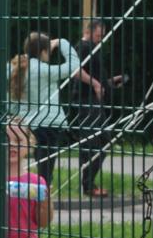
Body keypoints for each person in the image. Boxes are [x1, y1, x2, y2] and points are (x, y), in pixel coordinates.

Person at [8, 31, 97, 189]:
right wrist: (62, 42)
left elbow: (10, 99)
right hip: (48, 124)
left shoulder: (13, 67)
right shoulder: (43, 70)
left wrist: (16, 115)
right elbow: (74, 66)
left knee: (17, 163)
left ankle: (16, 190)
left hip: (24, 123)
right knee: (45, 169)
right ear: (43, 51)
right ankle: (42, 195)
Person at [70, 18, 126, 197]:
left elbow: (96, 79)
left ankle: (89, 183)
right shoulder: (83, 47)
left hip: (93, 101)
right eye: (98, 35)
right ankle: (88, 185)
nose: (101, 39)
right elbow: (76, 71)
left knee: (102, 141)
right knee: (92, 142)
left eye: (102, 36)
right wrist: (95, 84)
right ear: (88, 31)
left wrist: (109, 82)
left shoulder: (93, 48)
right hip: (85, 101)